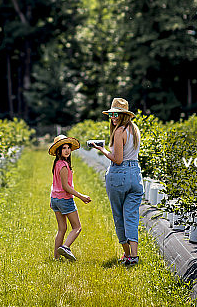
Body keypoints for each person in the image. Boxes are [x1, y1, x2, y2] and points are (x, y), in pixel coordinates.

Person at [91, 97, 144, 265]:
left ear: (123, 115)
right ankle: (134, 256)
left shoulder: (120, 131)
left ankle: (127, 255)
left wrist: (102, 150)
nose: (113, 117)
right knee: (131, 215)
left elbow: (118, 159)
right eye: (111, 114)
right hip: (136, 174)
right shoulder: (134, 129)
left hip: (119, 174)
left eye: (116, 114)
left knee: (119, 215)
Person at [49, 134, 92, 261]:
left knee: (62, 228)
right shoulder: (63, 166)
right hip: (64, 199)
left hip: (55, 199)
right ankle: (66, 247)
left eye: (68, 148)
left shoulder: (57, 163)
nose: (67, 150)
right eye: (63, 148)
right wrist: (81, 196)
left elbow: (55, 184)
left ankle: (56, 258)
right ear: (58, 151)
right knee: (77, 227)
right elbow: (65, 187)